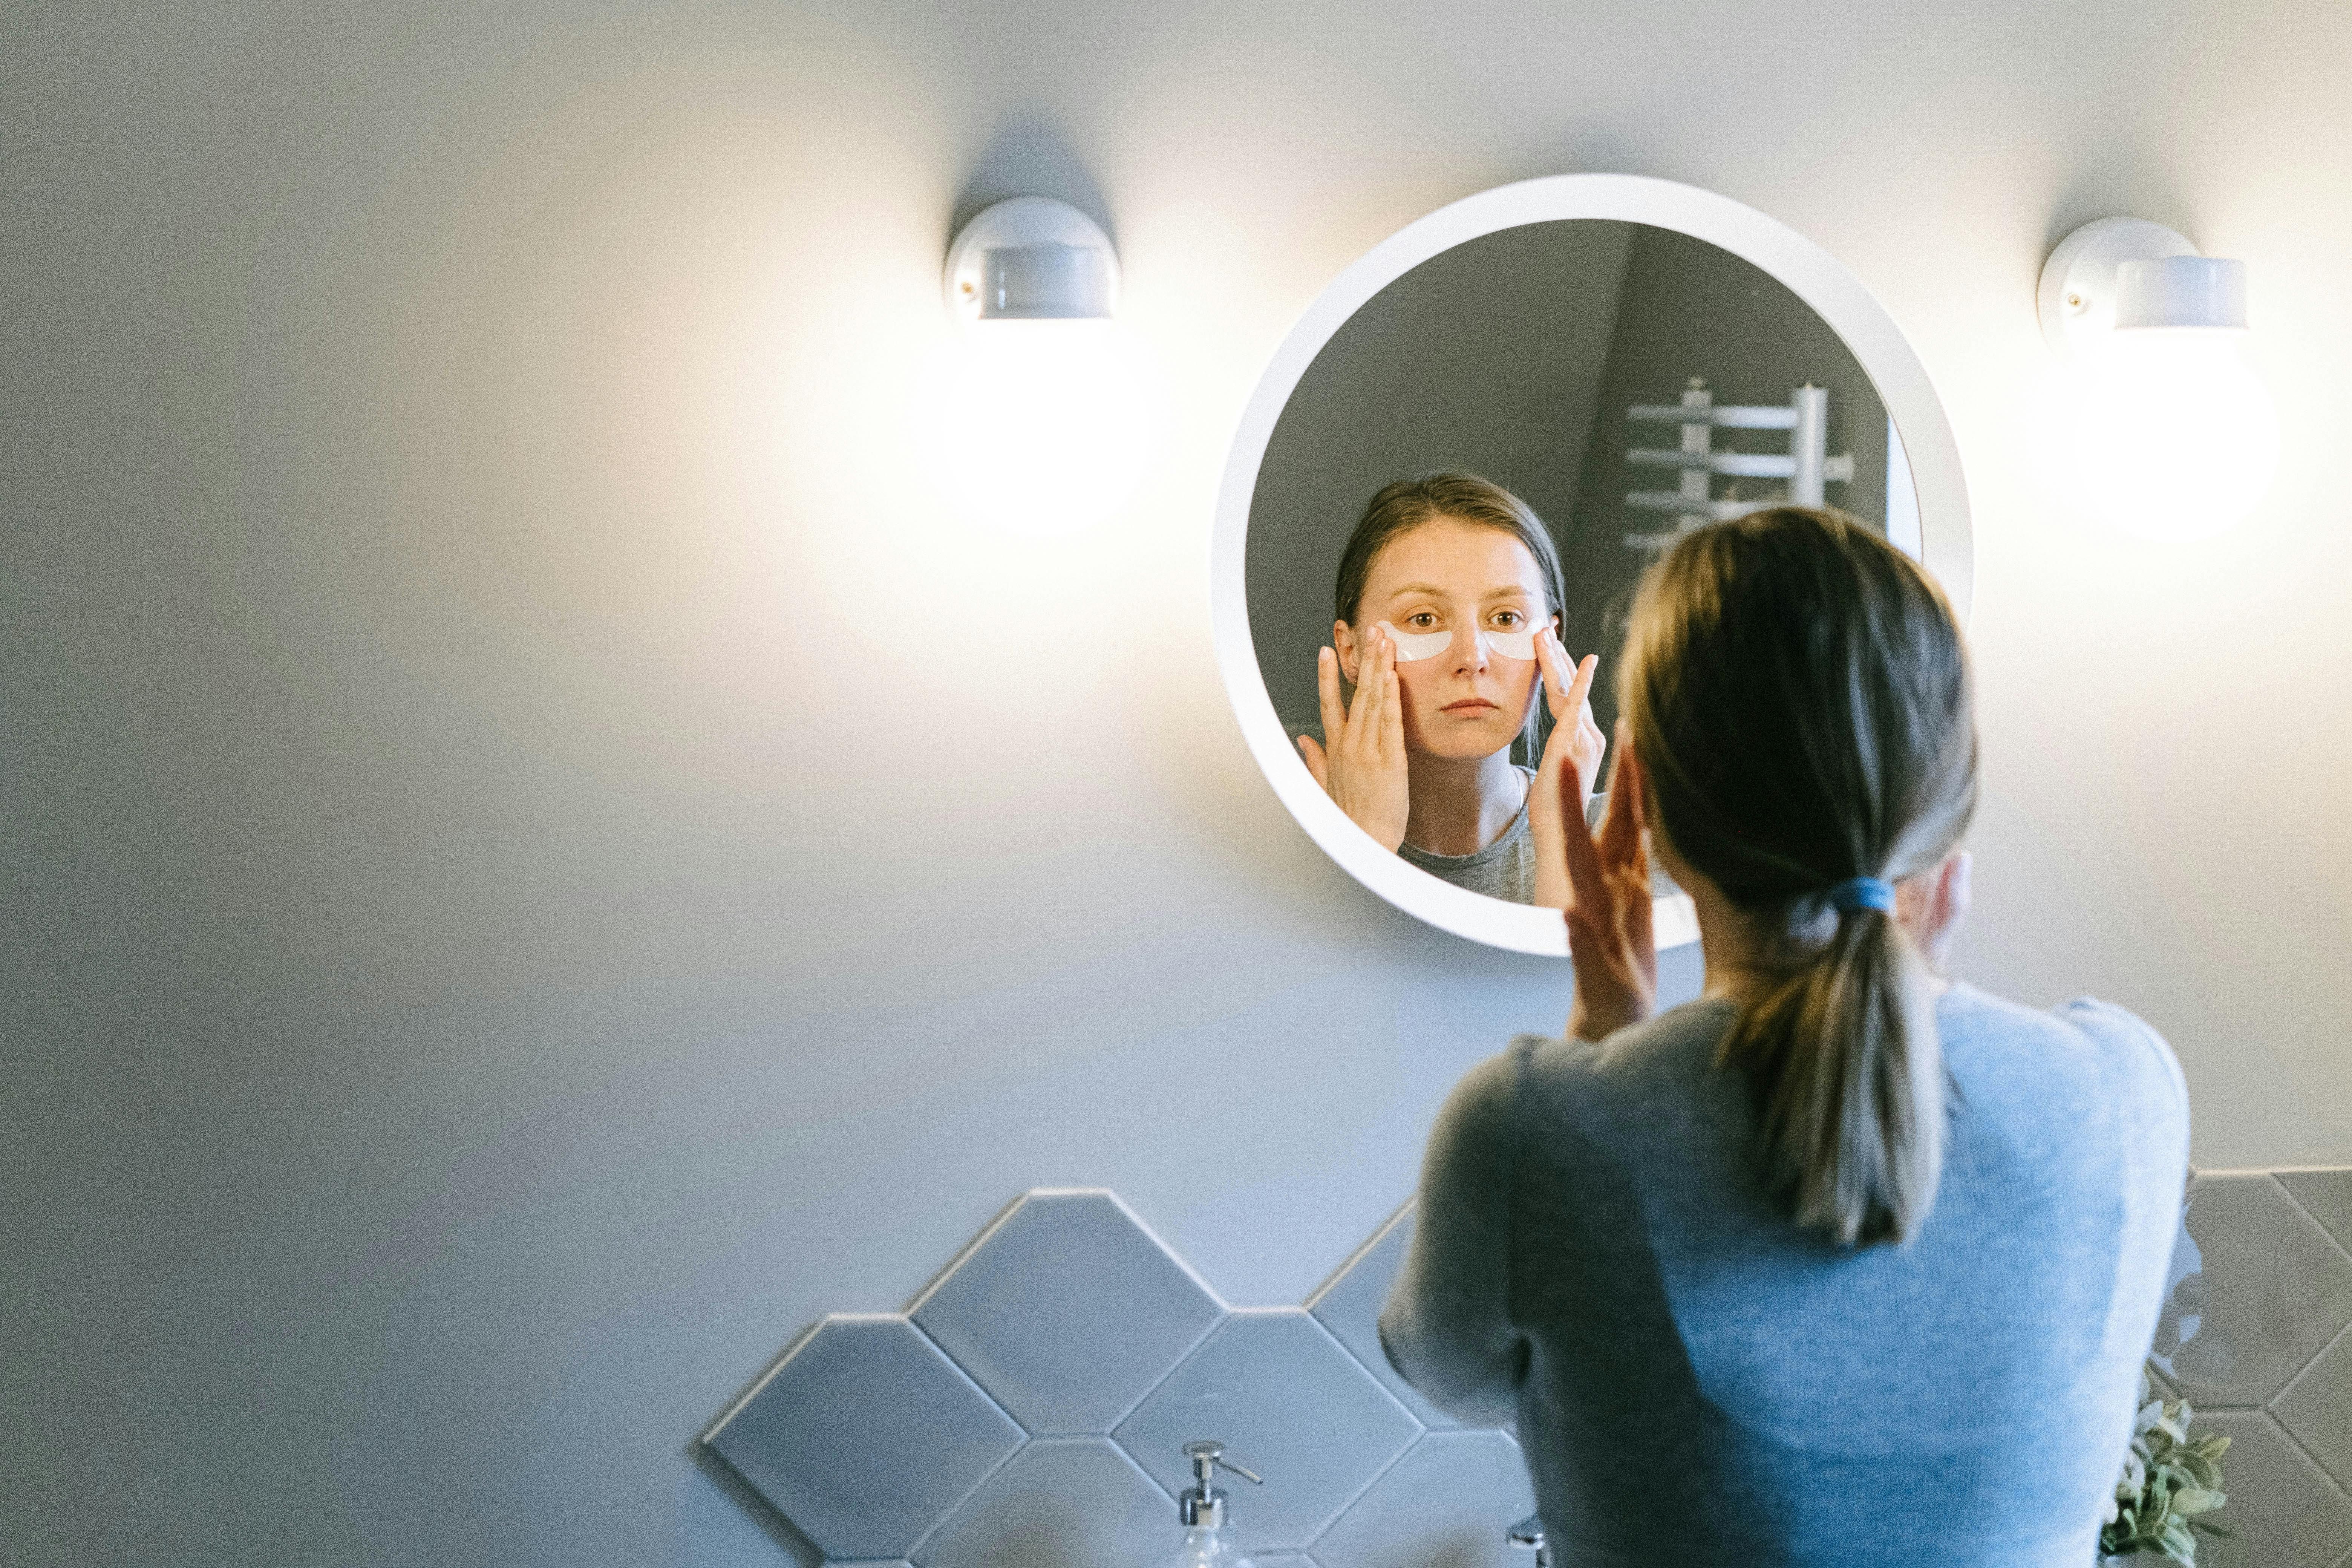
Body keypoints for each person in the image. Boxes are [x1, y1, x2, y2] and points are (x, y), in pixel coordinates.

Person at [1378, 508, 2189, 1567]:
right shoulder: (2124, 1091)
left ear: (1647, 803)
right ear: (1947, 797)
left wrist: (1599, 1044)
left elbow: (1449, 1374)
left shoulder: (1537, 1134)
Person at [1297, 473, 1607, 906]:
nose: (1472, 656)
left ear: (1552, 643)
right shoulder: (1279, 842)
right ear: (1350, 650)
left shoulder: (1635, 839)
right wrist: (1360, 850)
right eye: (1424, 618)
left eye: (1505, 618)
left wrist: (1563, 840)